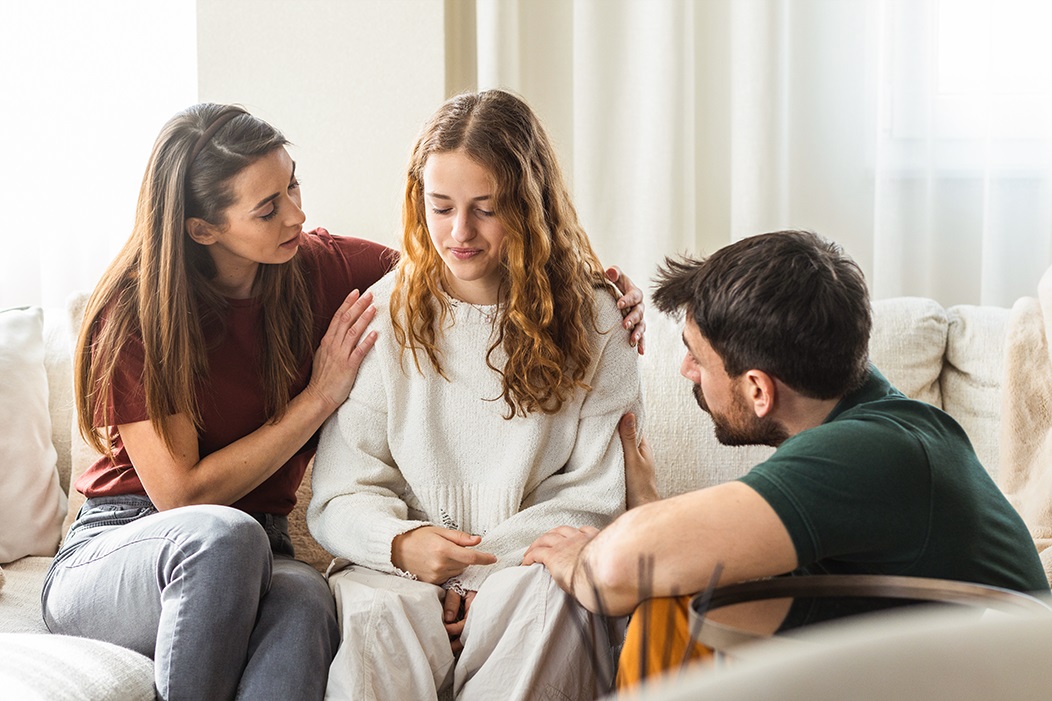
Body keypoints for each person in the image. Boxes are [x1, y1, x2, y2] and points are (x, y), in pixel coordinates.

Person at [40, 103, 647, 701]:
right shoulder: (136, 314)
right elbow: (183, 497)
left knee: (307, 600)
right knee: (229, 541)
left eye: (293, 185)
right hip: (132, 543)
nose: (297, 214)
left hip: (262, 545)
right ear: (204, 229)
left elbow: (463, 272)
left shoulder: (322, 270)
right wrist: (319, 396)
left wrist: (598, 290)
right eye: (268, 207)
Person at [524, 230, 1050, 688]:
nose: (686, 369)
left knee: (669, 619)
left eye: (696, 355)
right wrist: (648, 512)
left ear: (758, 389)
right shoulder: (885, 428)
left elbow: (618, 568)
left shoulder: (867, 455)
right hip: (921, 667)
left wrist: (580, 558)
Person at [307, 89, 643, 701]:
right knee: (379, 620)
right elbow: (340, 493)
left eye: (486, 209)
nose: (459, 233)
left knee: (551, 607)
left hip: (532, 566)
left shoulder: (598, 317)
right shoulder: (384, 314)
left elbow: (598, 492)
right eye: (441, 207)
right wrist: (404, 546)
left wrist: (476, 575)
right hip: (400, 567)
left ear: (529, 205)